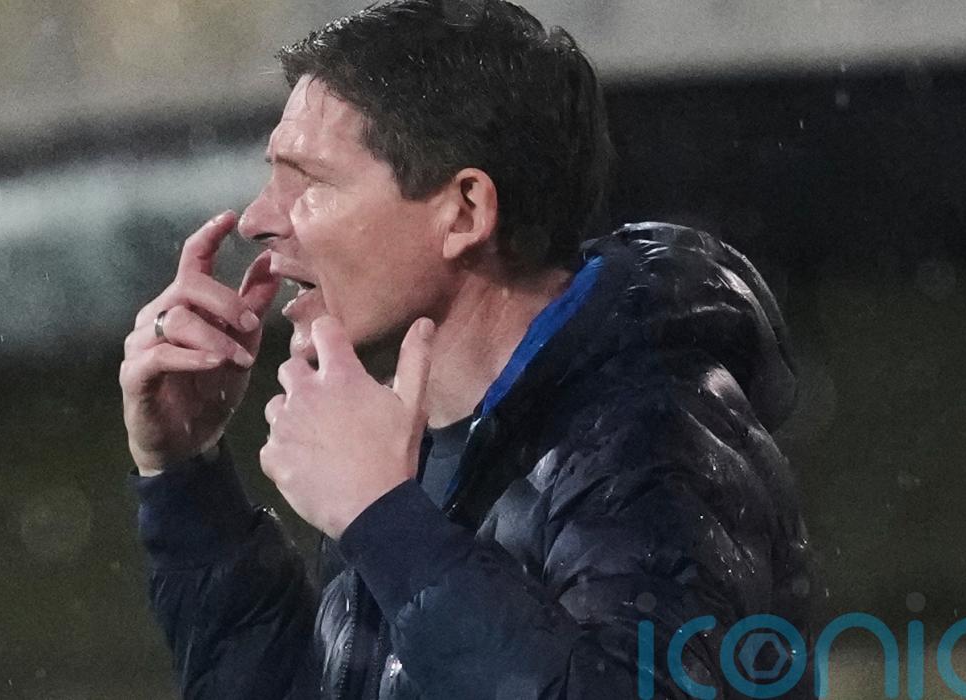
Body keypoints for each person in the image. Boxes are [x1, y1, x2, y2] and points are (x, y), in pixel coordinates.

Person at [119, 1, 814, 697]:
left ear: (466, 212)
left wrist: (387, 525)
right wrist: (187, 479)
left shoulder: (654, 438)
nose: (257, 219)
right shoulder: (402, 441)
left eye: (310, 182)